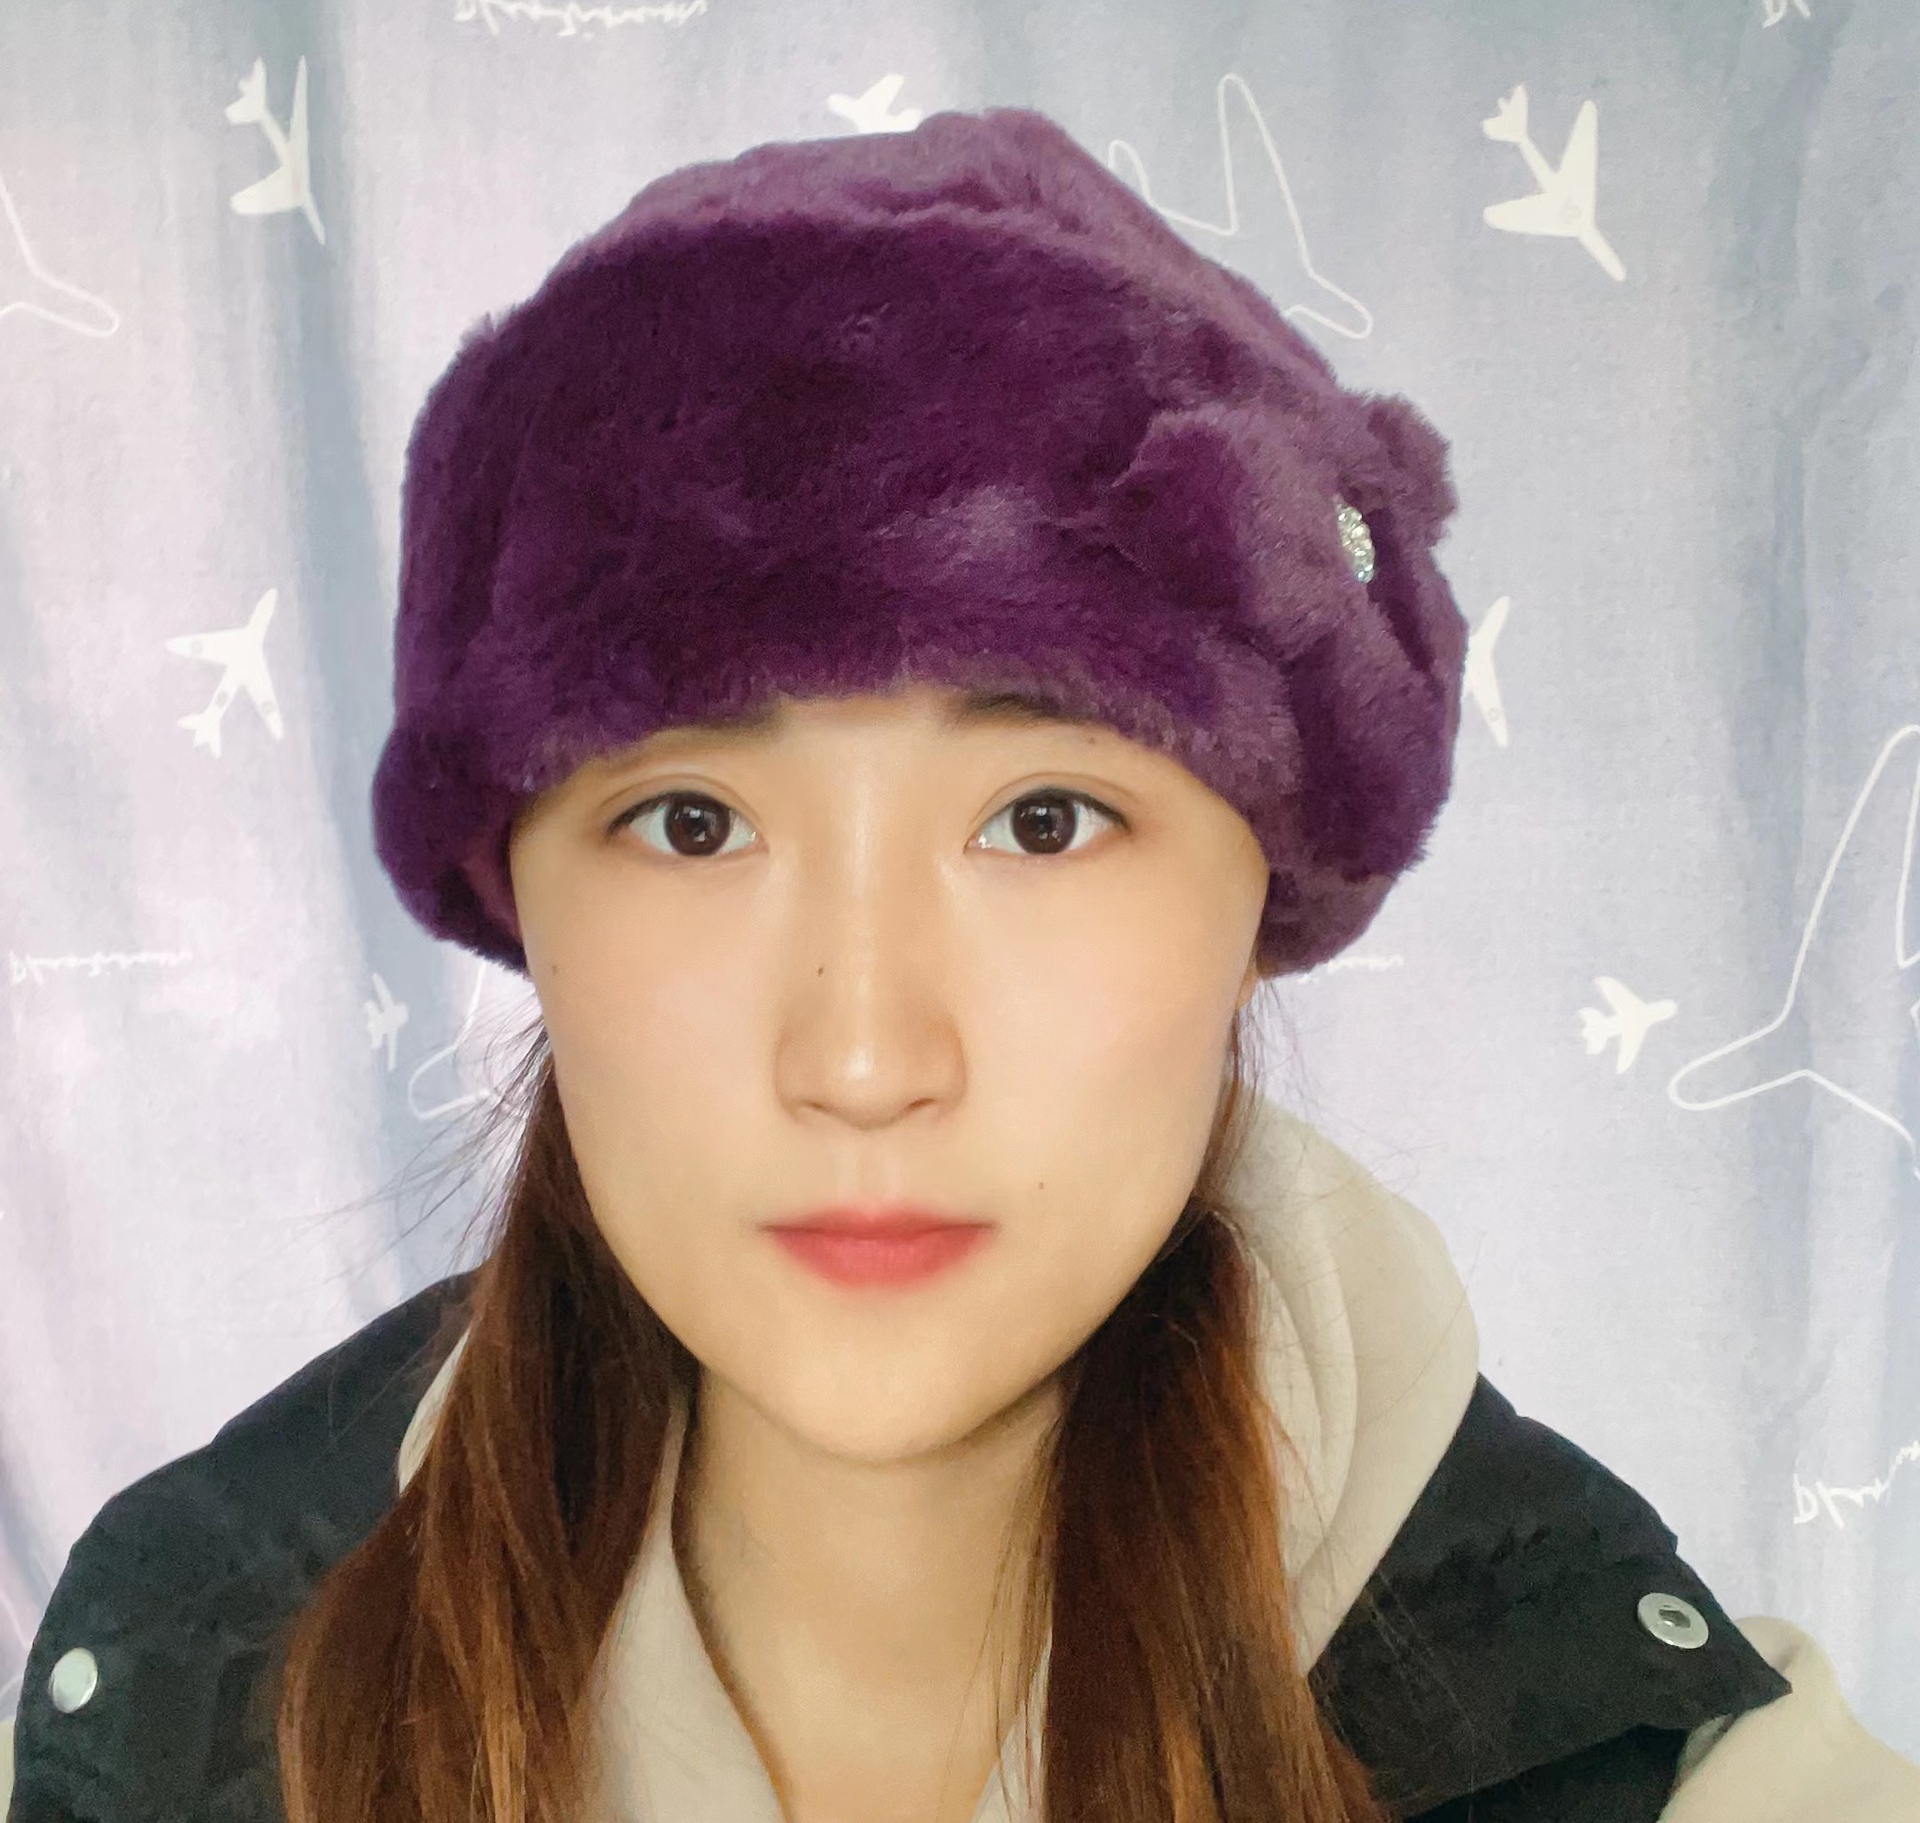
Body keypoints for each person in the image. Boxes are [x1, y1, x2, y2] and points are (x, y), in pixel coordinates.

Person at [6, 107, 1917, 1823]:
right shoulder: (173, 1710)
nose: (863, 1058)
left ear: (1261, 898)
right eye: (694, 823)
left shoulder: (1670, 1777)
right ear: (518, 891)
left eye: (1044, 820)